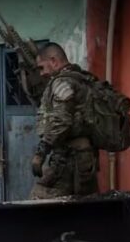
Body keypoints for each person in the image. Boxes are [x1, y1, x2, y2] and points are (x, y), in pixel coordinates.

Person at [30, 43, 98, 199]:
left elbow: (61, 121)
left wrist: (40, 154)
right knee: (86, 204)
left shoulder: (63, 82)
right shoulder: (83, 79)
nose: (41, 73)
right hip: (85, 158)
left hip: (68, 158)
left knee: (39, 198)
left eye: (42, 67)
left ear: (53, 61)